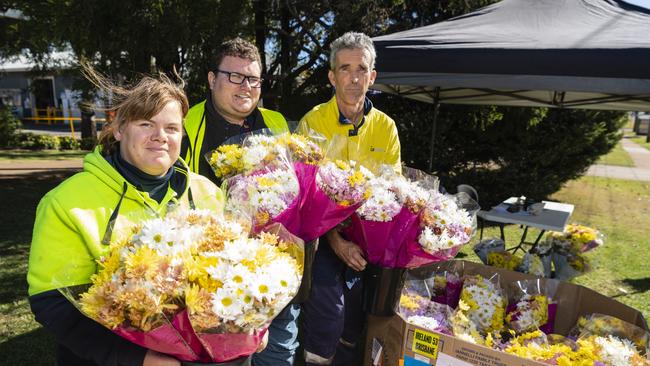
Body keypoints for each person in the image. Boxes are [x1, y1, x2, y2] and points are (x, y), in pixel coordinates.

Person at [26, 66, 231, 366]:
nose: (160, 136)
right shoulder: (66, 202)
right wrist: (138, 357)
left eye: (172, 128)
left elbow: (235, 279)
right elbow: (52, 302)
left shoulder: (209, 194)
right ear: (120, 129)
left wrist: (250, 324)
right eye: (146, 124)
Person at [180, 38, 299, 366]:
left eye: (253, 79)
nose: (245, 86)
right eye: (234, 76)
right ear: (211, 79)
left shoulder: (276, 123)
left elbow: (298, 189)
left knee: (279, 351)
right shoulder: (186, 127)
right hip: (215, 273)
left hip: (275, 269)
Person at [299, 31, 402, 365]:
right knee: (328, 309)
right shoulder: (313, 122)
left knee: (356, 320)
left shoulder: (386, 128)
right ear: (332, 76)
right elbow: (303, 198)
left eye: (362, 69)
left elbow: (394, 190)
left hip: (368, 243)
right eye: (345, 68)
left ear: (372, 77)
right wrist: (336, 240)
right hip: (323, 239)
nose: (354, 77)